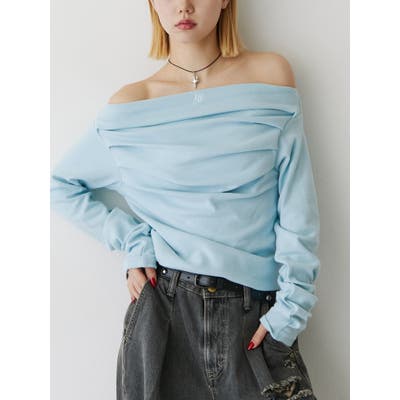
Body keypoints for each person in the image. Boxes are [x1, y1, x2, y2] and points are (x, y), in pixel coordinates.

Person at [50, 1, 320, 399]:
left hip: (258, 319)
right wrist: (135, 243)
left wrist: (291, 312)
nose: (183, 6)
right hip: (163, 317)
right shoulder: (131, 106)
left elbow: (298, 206)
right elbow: (61, 185)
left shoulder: (270, 77)